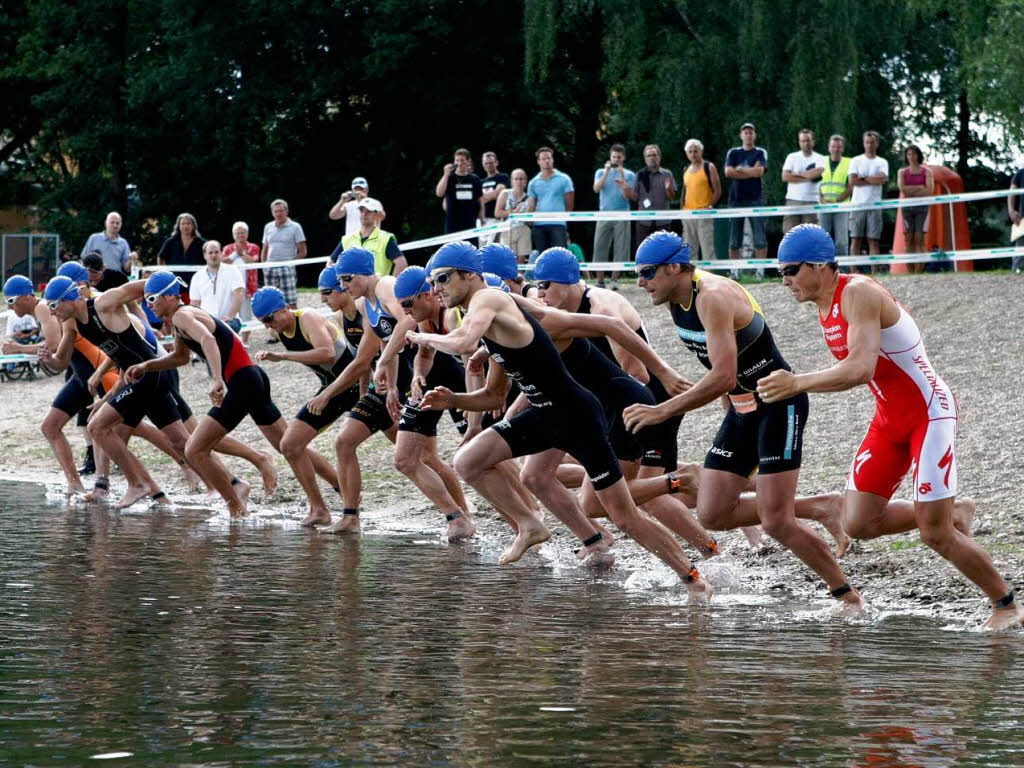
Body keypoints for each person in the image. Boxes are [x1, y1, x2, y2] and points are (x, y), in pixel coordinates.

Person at [409, 242, 712, 599]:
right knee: (470, 461)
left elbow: (462, 340)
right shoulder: (494, 325)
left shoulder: (488, 302)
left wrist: (420, 338)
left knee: (623, 513)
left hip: (580, 416)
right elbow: (493, 396)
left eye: (442, 279)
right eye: (431, 283)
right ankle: (531, 524)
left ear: (470, 275)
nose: (436, 289)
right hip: (546, 415)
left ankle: (694, 578)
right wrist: (453, 399)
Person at [758, 224, 1023, 630]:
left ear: (818, 265)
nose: (785, 280)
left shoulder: (857, 293)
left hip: (928, 414)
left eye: (791, 270)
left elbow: (861, 367)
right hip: (889, 420)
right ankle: (954, 509)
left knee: (935, 534)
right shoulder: (824, 304)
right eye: (780, 273)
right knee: (859, 523)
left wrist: (797, 382)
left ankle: (1005, 604)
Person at [623, 231, 864, 611]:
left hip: (778, 402)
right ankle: (821, 506)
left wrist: (662, 409)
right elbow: (722, 370)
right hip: (743, 408)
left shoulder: (712, 297)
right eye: (638, 273)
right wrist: (731, 415)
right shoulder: (677, 299)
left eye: (648, 272)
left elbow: (721, 373)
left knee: (776, 521)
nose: (641, 283)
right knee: (713, 513)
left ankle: (847, 596)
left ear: (674, 267)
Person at [532, 248, 717, 555]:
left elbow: (636, 375)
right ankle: (710, 550)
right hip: (626, 404)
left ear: (567, 281)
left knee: (599, 501)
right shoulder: (561, 311)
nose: (539, 294)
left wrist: (597, 418)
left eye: (545, 286)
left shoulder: (602, 308)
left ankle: (688, 487)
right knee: (648, 496)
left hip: (649, 403)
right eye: (536, 286)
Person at [128, 272, 323, 519]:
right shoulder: (180, 318)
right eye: (146, 300)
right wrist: (148, 366)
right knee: (289, 444)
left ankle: (236, 504)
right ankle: (339, 486)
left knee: (194, 450)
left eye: (153, 298)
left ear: (170, 296)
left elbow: (208, 340)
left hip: (243, 381)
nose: (149, 305)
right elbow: (181, 357)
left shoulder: (182, 315)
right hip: (252, 378)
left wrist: (217, 379)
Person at [309, 249, 468, 536]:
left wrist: (382, 365)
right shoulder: (365, 304)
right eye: (340, 281)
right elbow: (387, 345)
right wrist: (392, 384)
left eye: (347, 279)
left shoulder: (384, 286)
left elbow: (409, 321)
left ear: (364, 272)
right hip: (409, 378)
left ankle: (469, 514)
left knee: (441, 454)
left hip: (434, 368)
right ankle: (352, 516)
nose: (343, 286)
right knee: (378, 450)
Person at [39, 275, 198, 509]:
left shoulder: (104, 302)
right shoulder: (71, 323)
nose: (51, 313)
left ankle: (137, 485)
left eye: (53, 305)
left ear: (69, 298)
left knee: (99, 426)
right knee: (182, 440)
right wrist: (47, 359)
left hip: (150, 372)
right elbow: (60, 363)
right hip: (136, 376)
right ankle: (231, 485)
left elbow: (146, 285)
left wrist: (171, 296)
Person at [369, 265, 477, 539]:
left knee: (487, 456)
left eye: (406, 304)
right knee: (406, 459)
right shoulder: (368, 305)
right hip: (425, 379)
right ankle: (458, 517)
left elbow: (472, 359)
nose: (403, 310)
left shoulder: (447, 312)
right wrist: (408, 378)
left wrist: (478, 396)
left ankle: (528, 513)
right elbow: (403, 343)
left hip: (460, 377)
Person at [252, 281, 359, 527]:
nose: (268, 326)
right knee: (289, 445)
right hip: (331, 392)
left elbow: (327, 353)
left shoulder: (308, 317)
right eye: (262, 322)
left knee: (404, 445)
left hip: (355, 386)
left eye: (269, 319)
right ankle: (320, 509)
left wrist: (283, 356)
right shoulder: (280, 330)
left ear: (283, 309)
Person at [725, 123, 768, 272]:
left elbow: (760, 172)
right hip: (736, 199)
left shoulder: (760, 152)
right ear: (741, 135)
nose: (748, 135)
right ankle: (734, 271)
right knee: (734, 238)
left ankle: (760, 271)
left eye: (751, 132)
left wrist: (741, 170)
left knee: (760, 238)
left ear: (754, 135)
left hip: (756, 199)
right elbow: (728, 173)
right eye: (746, 132)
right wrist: (751, 170)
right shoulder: (733, 153)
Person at [592, 144, 636, 289]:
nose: (616, 159)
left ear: (623, 158)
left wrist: (623, 179)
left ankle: (614, 280)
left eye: (619, 157)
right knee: (600, 246)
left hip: (622, 213)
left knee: (621, 246)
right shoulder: (600, 172)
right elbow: (596, 189)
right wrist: (606, 172)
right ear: (610, 158)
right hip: (604, 213)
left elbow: (627, 197)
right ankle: (600, 281)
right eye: (614, 157)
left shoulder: (629, 174)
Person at [332, 198, 406, 277]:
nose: (364, 214)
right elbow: (331, 263)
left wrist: (390, 286)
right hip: (353, 288)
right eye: (361, 210)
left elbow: (401, 263)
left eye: (369, 211)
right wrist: (339, 283)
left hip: (377, 288)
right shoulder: (347, 239)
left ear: (376, 214)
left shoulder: (385, 238)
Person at [849, 131, 889, 268]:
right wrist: (872, 179)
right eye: (867, 142)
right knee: (856, 239)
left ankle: (875, 273)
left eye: (872, 142)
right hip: (857, 205)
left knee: (874, 240)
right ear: (863, 144)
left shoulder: (882, 162)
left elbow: (883, 179)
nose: (869, 145)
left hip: (875, 205)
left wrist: (863, 177)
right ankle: (853, 271)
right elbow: (852, 181)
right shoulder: (856, 160)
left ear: (876, 144)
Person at [188, 241, 245, 333]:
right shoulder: (197, 277)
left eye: (216, 252)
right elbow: (194, 303)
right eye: (210, 253)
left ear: (221, 253)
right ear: (205, 255)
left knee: (223, 331)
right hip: (207, 322)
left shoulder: (232, 271)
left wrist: (231, 316)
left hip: (230, 320)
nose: (213, 255)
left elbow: (239, 294)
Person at [525, 146, 575, 252]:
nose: (547, 161)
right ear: (538, 161)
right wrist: (529, 222)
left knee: (559, 256)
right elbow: (531, 206)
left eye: (549, 158)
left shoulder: (564, 179)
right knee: (543, 258)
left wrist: (564, 219)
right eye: (543, 159)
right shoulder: (533, 183)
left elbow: (570, 205)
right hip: (539, 226)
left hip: (558, 224)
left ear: (553, 159)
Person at [261, 199, 307, 309]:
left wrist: (291, 264)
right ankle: (275, 326)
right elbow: (265, 248)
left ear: (286, 211)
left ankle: (295, 325)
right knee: (271, 301)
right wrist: (264, 265)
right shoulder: (268, 227)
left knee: (290, 301)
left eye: (281, 211)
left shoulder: (295, 227)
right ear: (272, 213)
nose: (278, 214)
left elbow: (303, 251)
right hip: (270, 267)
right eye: (276, 211)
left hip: (287, 267)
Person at [680, 139, 721, 261]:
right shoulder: (686, 169)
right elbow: (685, 191)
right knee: (689, 248)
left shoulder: (709, 167)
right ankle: (692, 277)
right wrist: (682, 209)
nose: (693, 154)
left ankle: (709, 278)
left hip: (704, 213)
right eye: (690, 151)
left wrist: (710, 206)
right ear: (687, 154)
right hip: (688, 214)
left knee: (707, 248)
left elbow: (718, 190)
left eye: (696, 151)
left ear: (701, 152)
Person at [627, 144, 677, 246]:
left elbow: (672, 197)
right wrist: (625, 188)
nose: (652, 158)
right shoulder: (640, 174)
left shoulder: (667, 174)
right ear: (645, 158)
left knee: (664, 254)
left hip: (663, 221)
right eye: (648, 156)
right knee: (643, 254)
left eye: (654, 155)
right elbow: (635, 197)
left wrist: (668, 189)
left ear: (659, 156)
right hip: (644, 222)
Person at [897, 145, 935, 274]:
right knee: (909, 238)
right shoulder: (902, 172)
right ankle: (910, 271)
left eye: (914, 154)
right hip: (907, 208)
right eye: (908, 154)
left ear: (918, 155)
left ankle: (919, 271)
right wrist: (920, 187)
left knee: (920, 238)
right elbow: (903, 189)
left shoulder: (927, 172)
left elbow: (929, 190)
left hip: (922, 208)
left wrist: (912, 190)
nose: (911, 157)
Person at [221, 221, 261, 341]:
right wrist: (234, 255)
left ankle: (244, 341)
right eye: (238, 233)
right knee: (230, 315)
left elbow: (253, 262)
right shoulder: (227, 248)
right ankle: (232, 340)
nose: (240, 236)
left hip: (248, 288)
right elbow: (222, 262)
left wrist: (242, 253)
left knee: (246, 316)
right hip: (230, 289)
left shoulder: (254, 248)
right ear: (234, 235)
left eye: (242, 233)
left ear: (247, 234)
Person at [436, 148, 484, 242]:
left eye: (462, 160)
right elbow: (439, 193)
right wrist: (445, 174)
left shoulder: (475, 179)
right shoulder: (450, 178)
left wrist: (482, 217)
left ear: (468, 162)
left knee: (471, 250)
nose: (459, 163)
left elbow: (480, 199)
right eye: (457, 160)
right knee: (453, 251)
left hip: (470, 222)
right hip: (452, 223)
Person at [781, 129, 825, 232]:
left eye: (808, 140)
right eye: (803, 141)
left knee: (810, 235)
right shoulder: (791, 157)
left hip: (812, 201)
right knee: (790, 234)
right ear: (799, 143)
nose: (806, 143)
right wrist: (808, 175)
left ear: (813, 142)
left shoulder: (820, 158)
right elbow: (785, 177)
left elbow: (817, 173)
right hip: (792, 200)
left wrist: (795, 175)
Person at [817, 135, 853, 257]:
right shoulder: (821, 160)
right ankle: (823, 267)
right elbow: (815, 181)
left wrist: (838, 200)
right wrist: (821, 199)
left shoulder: (849, 162)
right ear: (829, 148)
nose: (836, 149)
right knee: (822, 238)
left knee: (841, 241)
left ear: (842, 149)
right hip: (823, 205)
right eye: (833, 146)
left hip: (841, 206)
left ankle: (843, 268)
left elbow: (851, 185)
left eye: (839, 147)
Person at [495, 168, 532, 263]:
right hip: (507, 228)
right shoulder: (505, 194)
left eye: (521, 179)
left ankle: (519, 276)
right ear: (512, 181)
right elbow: (497, 213)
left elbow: (531, 222)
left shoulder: (529, 198)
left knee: (520, 262)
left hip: (523, 229)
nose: (519, 181)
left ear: (525, 181)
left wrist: (527, 216)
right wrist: (513, 212)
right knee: (507, 260)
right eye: (516, 179)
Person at [479, 152, 510, 246]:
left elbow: (498, 193)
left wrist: (482, 198)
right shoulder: (481, 182)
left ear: (496, 163)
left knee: (497, 248)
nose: (489, 165)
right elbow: (477, 201)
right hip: (484, 222)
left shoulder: (502, 177)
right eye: (486, 163)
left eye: (491, 162)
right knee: (483, 249)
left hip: (499, 220)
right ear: (483, 165)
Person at [1008, 165, 1024, 272]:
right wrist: (1011, 210)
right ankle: (1017, 272)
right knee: (1020, 252)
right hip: (1023, 219)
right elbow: (1012, 191)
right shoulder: (1021, 173)